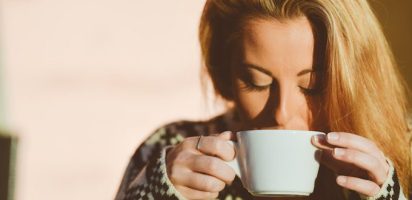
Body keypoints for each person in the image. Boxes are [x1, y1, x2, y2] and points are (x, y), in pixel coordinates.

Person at [115, 0, 411, 199]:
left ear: (357, 78)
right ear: (226, 74)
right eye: (257, 82)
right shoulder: (170, 146)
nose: (281, 113)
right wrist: (153, 193)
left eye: (312, 86)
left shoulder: (405, 147)